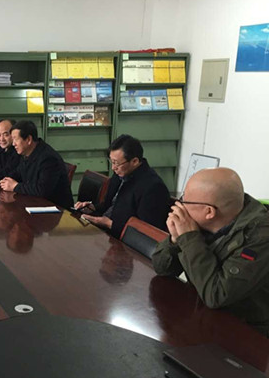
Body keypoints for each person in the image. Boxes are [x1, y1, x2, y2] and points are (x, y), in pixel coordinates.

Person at [153, 168, 269, 336]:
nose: (180, 206)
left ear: (209, 212)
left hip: (248, 333)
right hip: (205, 316)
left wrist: (189, 237)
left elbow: (217, 295)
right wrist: (175, 240)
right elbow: (162, 268)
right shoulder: (203, 222)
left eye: (185, 200)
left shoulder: (261, 237)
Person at [74, 134, 169, 238]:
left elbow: (147, 232)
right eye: (112, 162)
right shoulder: (121, 173)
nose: (113, 168)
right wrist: (92, 208)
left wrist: (110, 224)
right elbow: (109, 205)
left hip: (122, 240)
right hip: (105, 231)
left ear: (134, 161)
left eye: (116, 163)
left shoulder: (153, 187)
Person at [0, 120, 73, 208]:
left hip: (57, 210)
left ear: (28, 139)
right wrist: (6, 180)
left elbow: (42, 190)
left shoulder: (48, 158)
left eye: (16, 139)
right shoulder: (27, 153)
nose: (13, 144)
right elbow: (18, 173)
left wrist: (15, 186)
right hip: (36, 204)